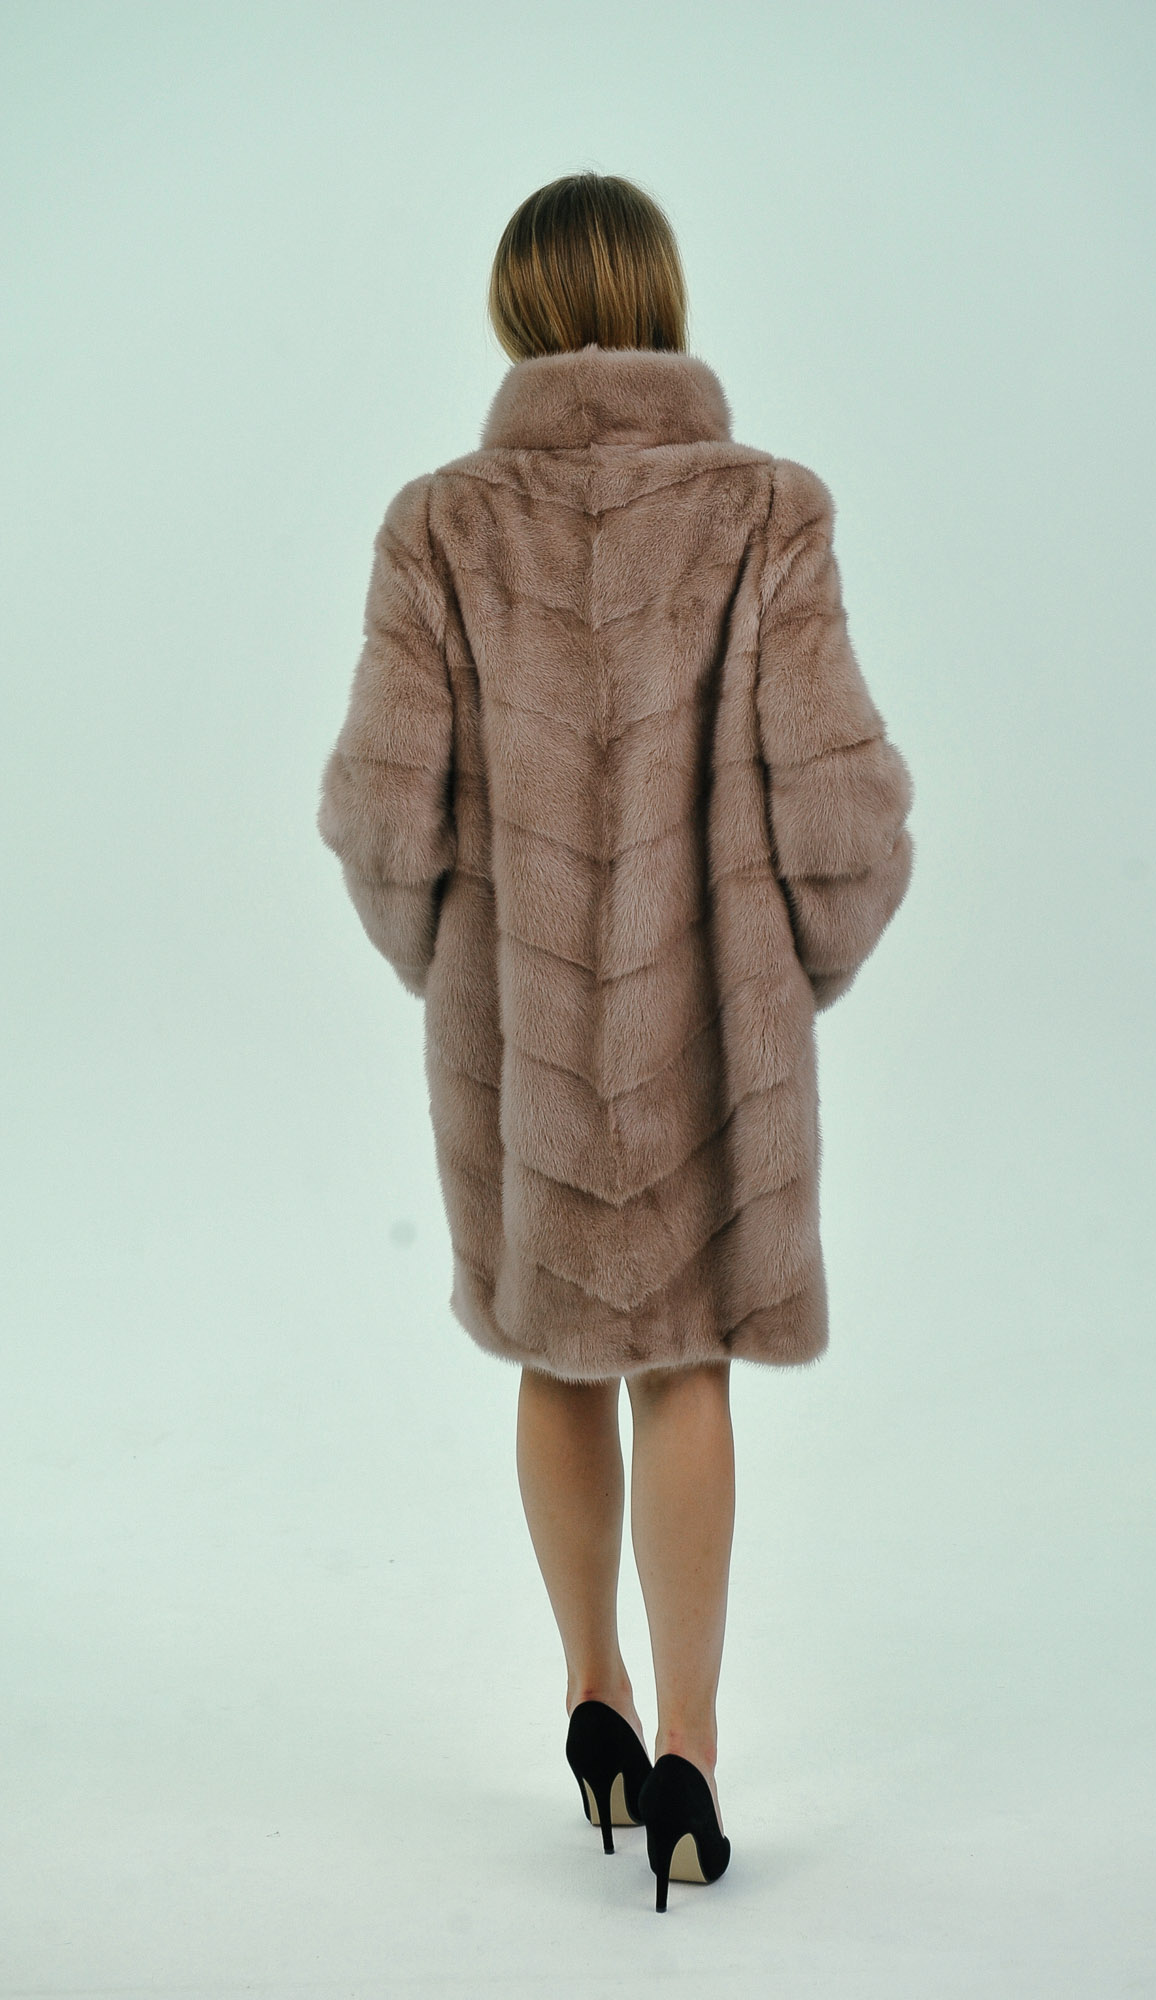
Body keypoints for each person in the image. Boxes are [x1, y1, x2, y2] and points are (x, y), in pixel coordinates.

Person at [316, 171, 915, 1911]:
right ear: (663, 297)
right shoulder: (766, 513)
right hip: (712, 1048)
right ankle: (696, 1758)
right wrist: (786, 973)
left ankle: (596, 1694)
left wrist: (459, 969)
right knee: (686, 1364)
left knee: (557, 1357)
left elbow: (379, 817)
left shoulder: (440, 528)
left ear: (516, 311)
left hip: (521, 1052)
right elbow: (848, 816)